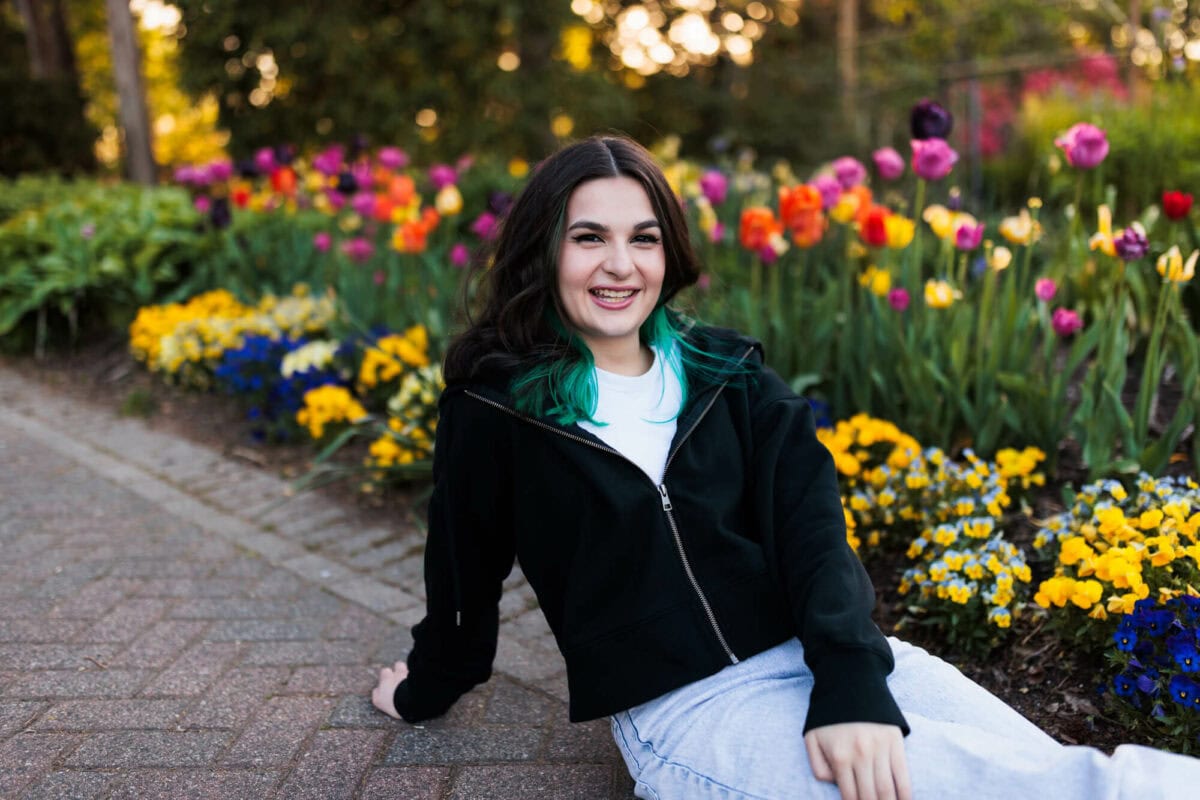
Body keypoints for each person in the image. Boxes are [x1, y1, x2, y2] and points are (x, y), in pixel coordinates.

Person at [371, 134, 1200, 799]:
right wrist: (420, 689)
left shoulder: (729, 375)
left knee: (1054, 774)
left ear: (670, 251)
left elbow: (812, 531)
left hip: (837, 657)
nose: (620, 266)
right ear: (543, 252)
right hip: (692, 711)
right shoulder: (496, 410)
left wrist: (848, 682)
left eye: (643, 239)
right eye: (589, 238)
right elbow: (463, 581)